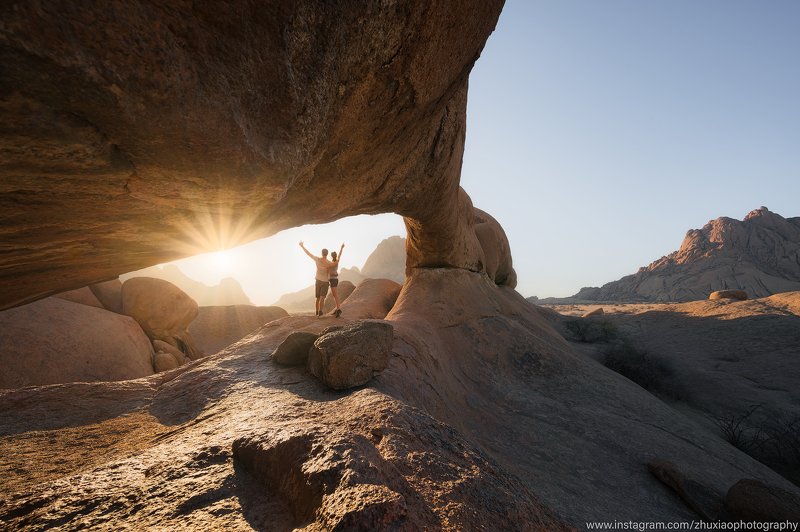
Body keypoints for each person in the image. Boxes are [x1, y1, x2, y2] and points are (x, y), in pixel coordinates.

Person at [299, 241, 333, 316]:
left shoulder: (317, 259)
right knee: (322, 298)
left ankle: (317, 312)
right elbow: (332, 271)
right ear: (327, 254)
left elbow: (308, 253)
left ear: (322, 253)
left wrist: (302, 246)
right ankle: (320, 311)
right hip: (325, 282)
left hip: (318, 281)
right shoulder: (329, 263)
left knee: (318, 298)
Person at [328, 243, 345, 317]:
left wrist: (341, 248)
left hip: (333, 280)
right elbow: (340, 255)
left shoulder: (334, 262)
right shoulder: (335, 261)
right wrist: (341, 248)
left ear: (331, 256)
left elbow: (339, 255)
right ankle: (337, 309)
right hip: (333, 279)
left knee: (335, 295)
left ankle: (338, 310)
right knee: (335, 295)